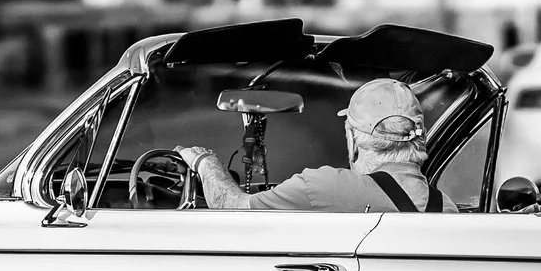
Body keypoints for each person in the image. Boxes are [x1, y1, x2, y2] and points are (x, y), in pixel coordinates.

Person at [179, 77, 444, 211]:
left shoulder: (324, 187)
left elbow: (232, 208)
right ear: (420, 138)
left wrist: (204, 162)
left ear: (353, 141)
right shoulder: (446, 209)